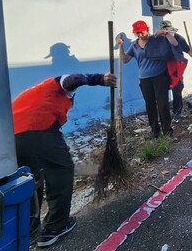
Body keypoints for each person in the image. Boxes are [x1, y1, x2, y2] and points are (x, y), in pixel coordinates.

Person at [12, 72, 116, 247]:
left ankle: (29, 232)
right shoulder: (59, 85)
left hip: (11, 137)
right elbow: (72, 79)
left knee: (31, 180)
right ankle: (54, 228)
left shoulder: (34, 93)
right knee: (61, 172)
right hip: (38, 129)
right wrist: (99, 79)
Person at [118, 20, 178, 138]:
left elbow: (174, 43)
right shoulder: (134, 45)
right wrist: (120, 45)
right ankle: (155, 131)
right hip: (144, 79)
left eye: (142, 32)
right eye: (138, 33)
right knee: (150, 105)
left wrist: (165, 32)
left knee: (163, 105)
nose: (140, 35)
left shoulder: (156, 39)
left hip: (160, 77)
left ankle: (167, 132)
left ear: (147, 29)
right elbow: (125, 60)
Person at [159, 20, 192, 123]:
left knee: (177, 90)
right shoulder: (158, 39)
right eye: (164, 30)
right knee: (162, 91)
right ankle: (165, 115)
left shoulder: (178, 38)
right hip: (163, 68)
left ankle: (177, 113)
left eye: (167, 29)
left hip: (176, 68)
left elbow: (187, 49)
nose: (166, 32)